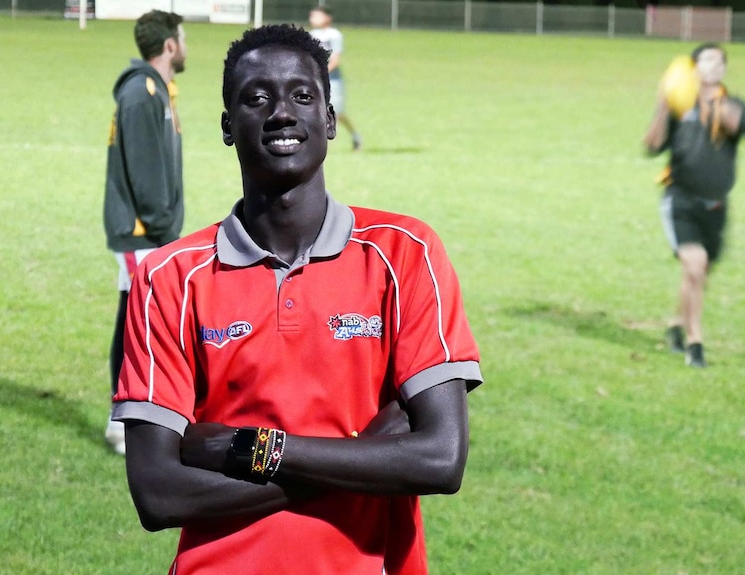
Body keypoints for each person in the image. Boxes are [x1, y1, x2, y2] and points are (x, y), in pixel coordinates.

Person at [111, 24, 482, 575]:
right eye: (255, 98)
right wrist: (362, 461)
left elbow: (439, 459)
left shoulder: (404, 254)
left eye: (303, 96)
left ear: (328, 120)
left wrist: (253, 448)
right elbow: (159, 493)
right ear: (227, 127)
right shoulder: (169, 278)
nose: (281, 112)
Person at [102, 10, 187, 454]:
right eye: (184, 37)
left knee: (138, 320)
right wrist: (162, 228)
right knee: (139, 325)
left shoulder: (158, 90)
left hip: (151, 232)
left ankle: (139, 417)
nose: (187, 45)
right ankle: (123, 423)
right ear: (170, 45)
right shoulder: (141, 93)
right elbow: (145, 172)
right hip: (142, 234)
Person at [644, 43, 745, 368]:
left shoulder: (732, 105)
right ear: (694, 69)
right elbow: (651, 144)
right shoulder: (680, 109)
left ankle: (676, 326)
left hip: (716, 206)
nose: (715, 65)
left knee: (699, 275)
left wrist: (713, 105)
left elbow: (740, 124)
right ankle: (696, 345)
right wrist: (663, 106)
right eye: (707, 60)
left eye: (720, 62)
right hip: (680, 200)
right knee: (694, 265)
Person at [308, 6, 363, 151]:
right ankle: (315, 144)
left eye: (317, 16)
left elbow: (335, 60)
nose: (313, 19)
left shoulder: (334, 35)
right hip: (315, 79)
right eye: (312, 16)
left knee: (337, 112)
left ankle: (355, 136)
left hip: (333, 79)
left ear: (327, 18)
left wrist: (322, 72)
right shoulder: (311, 35)